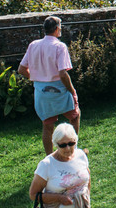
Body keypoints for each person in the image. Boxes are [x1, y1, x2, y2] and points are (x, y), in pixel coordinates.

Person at [18, 15, 80, 156]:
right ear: (57, 29)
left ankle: (49, 157)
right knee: (74, 116)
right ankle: (72, 151)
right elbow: (63, 73)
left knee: (47, 126)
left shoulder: (33, 45)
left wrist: (36, 78)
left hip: (41, 91)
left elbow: (21, 69)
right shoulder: (59, 46)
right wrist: (72, 90)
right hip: (59, 89)